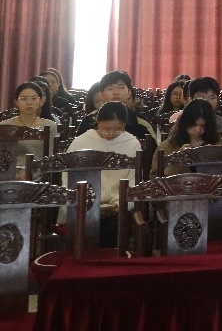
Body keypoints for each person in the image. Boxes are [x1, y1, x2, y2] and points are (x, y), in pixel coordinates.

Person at [151, 100, 222, 238]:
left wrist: (216, 159)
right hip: (181, 197)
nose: (198, 130)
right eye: (194, 125)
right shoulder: (168, 146)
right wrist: (180, 160)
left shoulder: (218, 142)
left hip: (217, 197)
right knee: (187, 231)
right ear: (185, 123)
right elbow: (156, 178)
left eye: (203, 126)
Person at [66, 102, 142, 245]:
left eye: (118, 129)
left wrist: (120, 203)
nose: (111, 134)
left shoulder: (132, 143)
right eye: (106, 129)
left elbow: (133, 180)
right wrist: (87, 205)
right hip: (84, 204)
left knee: (114, 228)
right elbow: (68, 178)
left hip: (117, 206)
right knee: (85, 227)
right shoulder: (81, 142)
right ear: (98, 122)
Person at [75, 71, 156, 143]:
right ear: (101, 95)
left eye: (121, 88)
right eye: (110, 89)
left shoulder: (141, 123)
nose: (116, 92)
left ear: (129, 92)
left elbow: (153, 153)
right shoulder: (89, 120)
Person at [2, 80, 58, 160]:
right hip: (10, 168)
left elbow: (51, 156)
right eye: (24, 99)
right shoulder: (4, 125)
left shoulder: (50, 126)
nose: (29, 103)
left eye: (34, 98)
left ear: (40, 101)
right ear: (16, 101)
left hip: (39, 167)